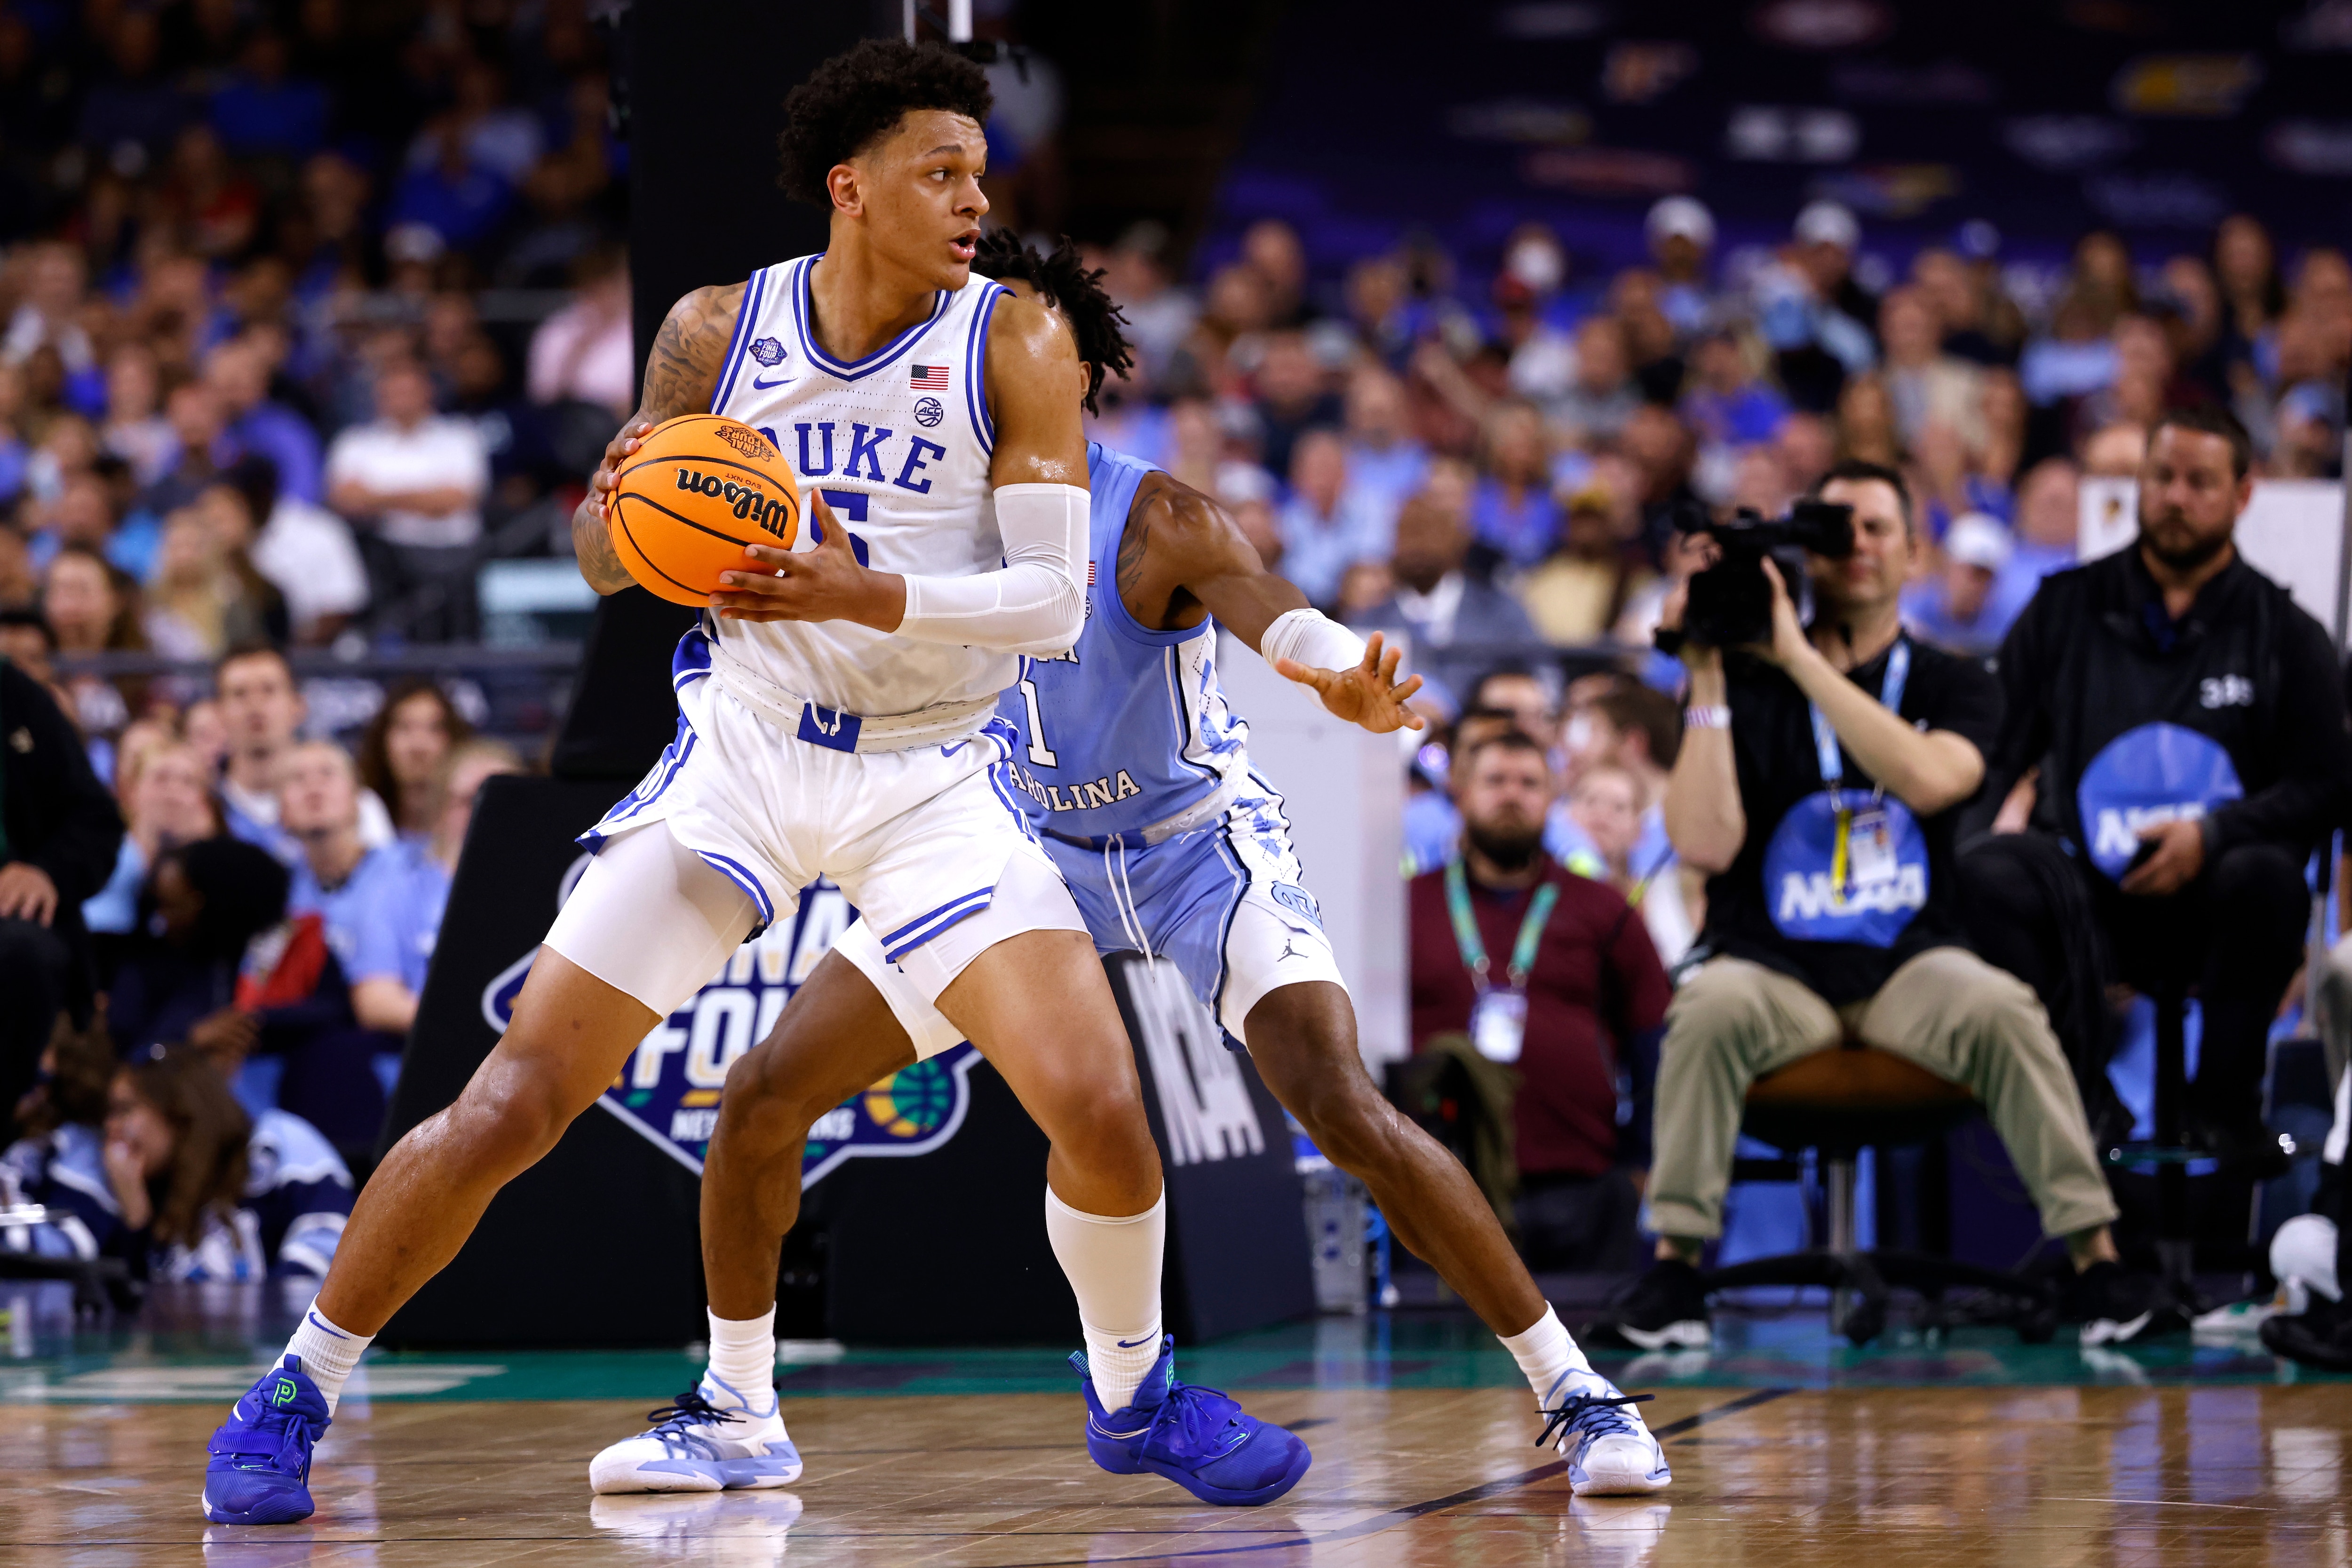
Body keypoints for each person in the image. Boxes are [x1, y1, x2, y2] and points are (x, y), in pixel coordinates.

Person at [201, 41, 1304, 1527]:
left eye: (980, 172)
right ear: (851, 188)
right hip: (742, 755)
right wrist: (624, 525)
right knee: (513, 1101)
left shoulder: (1015, 339)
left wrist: (866, 596)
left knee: (1101, 1106)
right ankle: (298, 1389)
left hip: (931, 777)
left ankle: (1135, 1395)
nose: (976, 197)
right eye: (941, 170)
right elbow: (606, 561)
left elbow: (1050, 601)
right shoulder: (717, 330)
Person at [604, 235, 1672, 1501]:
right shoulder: (886, 502)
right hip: (1004, 842)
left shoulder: (1151, 510)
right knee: (770, 1087)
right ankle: (738, 1405)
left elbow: (1268, 603)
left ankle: (1576, 1387)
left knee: (1341, 1100)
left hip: (1187, 845)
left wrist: (1338, 664)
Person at [1592, 460, 2165, 1351]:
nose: (1856, 545)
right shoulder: (1742, 679)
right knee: (1703, 1006)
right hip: (1772, 964)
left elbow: (1935, 782)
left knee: (2003, 1008)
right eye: (1835, 529)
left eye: (1877, 528)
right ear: (1803, 555)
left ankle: (2098, 1260)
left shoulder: (1952, 679)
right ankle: (1677, 1266)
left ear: (1914, 552)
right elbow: (1704, 843)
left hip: (1909, 960)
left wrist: (1797, 659)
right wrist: (1706, 672)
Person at [1961, 407, 2352, 1171]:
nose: (2176, 497)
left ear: (2243, 494)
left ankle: (2224, 1107)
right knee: (1989, 871)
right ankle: (2083, 1103)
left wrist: (2212, 833)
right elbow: (1995, 755)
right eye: (2162, 477)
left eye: (2200, 482)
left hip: (2222, 904)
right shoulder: (2064, 608)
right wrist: (1963, 855)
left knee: (2268, 876)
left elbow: (2328, 784)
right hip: (2091, 902)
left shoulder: (2284, 630)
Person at [1410, 731, 1671, 1274]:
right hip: (1433, 1190)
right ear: (1459, 791)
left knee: (1588, 1356)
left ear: (1553, 796)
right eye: (1495, 781)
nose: (1511, 795)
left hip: (1584, 1188)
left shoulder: (1603, 908)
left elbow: (1654, 1041)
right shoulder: (1407, 907)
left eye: (1529, 783)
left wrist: (1641, 1163)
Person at [0, 655, 124, 1140]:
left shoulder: (16, 696)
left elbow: (97, 820)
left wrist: (46, 871)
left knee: (26, 953)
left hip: (13, 926)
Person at [103, 1047, 354, 1281]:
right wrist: (136, 1219)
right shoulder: (145, 1195)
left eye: (124, 1110)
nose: (110, 1128)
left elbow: (332, 1237)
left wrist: (272, 1310)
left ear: (177, 1109)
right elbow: (132, 1313)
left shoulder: (275, 1142)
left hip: (292, 1326)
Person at [346, 740, 522, 1037]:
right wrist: (480, 1024)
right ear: (442, 811)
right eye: (472, 800)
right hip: (431, 1051)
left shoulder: (553, 885)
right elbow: (376, 1000)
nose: (491, 813)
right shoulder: (396, 886)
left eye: (508, 802)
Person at [323, 358, 490, 641]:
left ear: (428, 392)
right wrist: (425, 498)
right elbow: (343, 499)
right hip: (385, 560)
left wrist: (379, 498)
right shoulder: (355, 442)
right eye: (393, 392)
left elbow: (459, 499)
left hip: (456, 555)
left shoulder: (460, 436)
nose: (402, 400)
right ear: (379, 396)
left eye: (409, 391)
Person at [1349, 491, 1540, 710]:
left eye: (1429, 531)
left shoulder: (1502, 614)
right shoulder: (1365, 625)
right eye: (1406, 531)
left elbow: (1545, 679)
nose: (1416, 543)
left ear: (1459, 539)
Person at [213, 644, 393, 859]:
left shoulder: (353, 805)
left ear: (299, 705)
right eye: (240, 694)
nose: (255, 706)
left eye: (269, 690)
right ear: (219, 712)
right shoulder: (205, 808)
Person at [355, 680, 471, 840]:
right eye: (404, 728)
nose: (418, 746)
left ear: (453, 740)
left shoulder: (472, 829)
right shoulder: (356, 825)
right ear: (382, 740)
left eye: (434, 729)